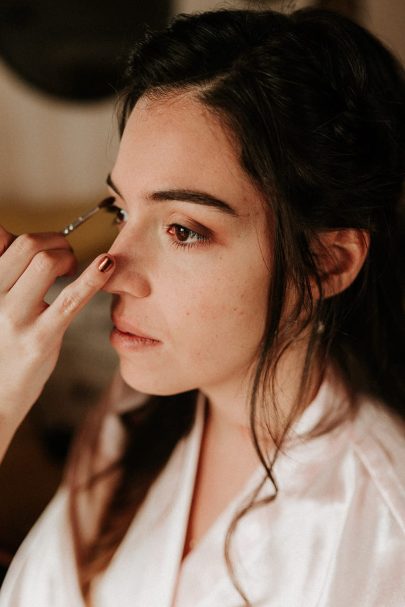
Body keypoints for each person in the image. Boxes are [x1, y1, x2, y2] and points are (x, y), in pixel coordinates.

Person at [0, 6, 404, 607]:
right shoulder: (131, 412)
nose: (112, 274)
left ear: (327, 262)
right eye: (121, 212)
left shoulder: (379, 530)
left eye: (184, 230)